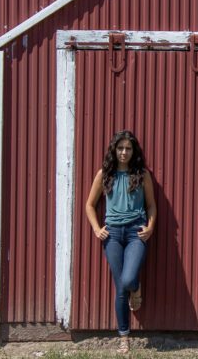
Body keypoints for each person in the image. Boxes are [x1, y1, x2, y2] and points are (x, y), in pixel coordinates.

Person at [85, 130, 157, 354]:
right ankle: (124, 338)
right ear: (114, 151)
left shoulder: (142, 174)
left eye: (128, 148)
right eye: (120, 148)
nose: (124, 152)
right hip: (113, 234)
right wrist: (97, 229)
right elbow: (89, 205)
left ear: (133, 151)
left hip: (136, 232)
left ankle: (135, 289)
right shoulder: (104, 175)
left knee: (127, 280)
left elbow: (152, 205)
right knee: (120, 288)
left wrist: (150, 228)